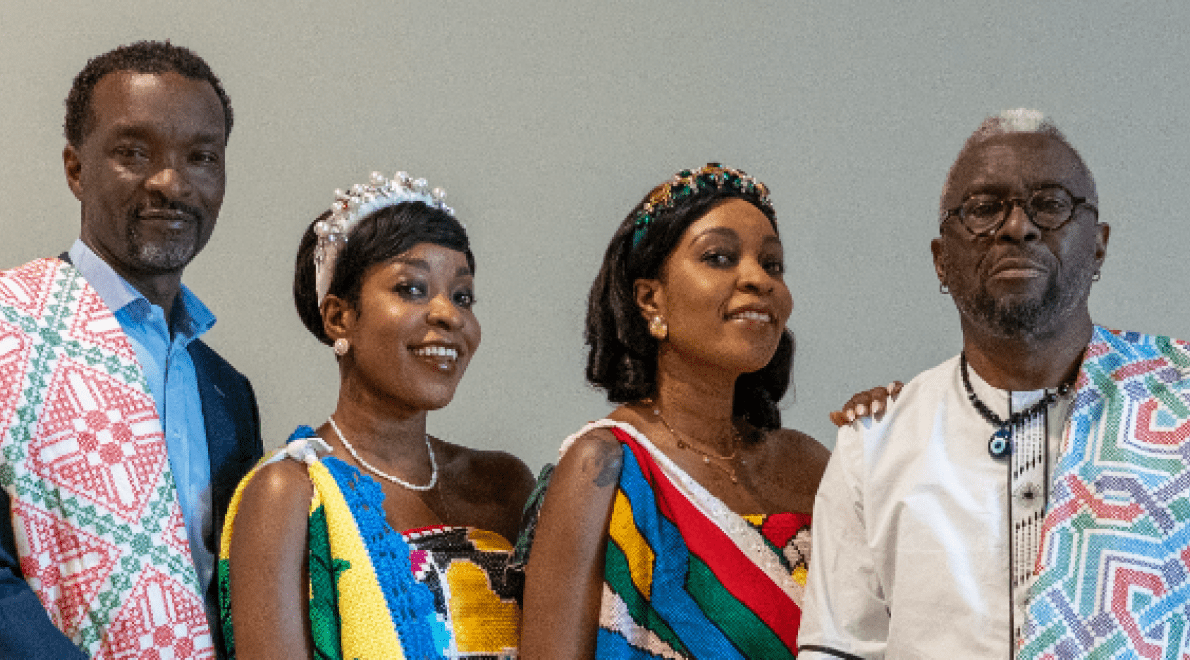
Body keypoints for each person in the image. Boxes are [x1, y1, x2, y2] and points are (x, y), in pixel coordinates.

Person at [799, 109, 1190, 659]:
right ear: (941, 260)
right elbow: (838, 650)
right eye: (984, 209)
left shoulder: (1177, 399)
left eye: (1050, 204)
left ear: (1099, 245)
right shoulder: (875, 445)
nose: (1017, 227)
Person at [0, 41, 263, 659]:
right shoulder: (10, 326)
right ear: (76, 169)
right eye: (134, 153)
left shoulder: (229, 393)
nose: (171, 182)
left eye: (201, 157)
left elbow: (231, 597)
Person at [220, 171, 535, 659]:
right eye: (411, 288)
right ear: (338, 318)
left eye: (462, 296)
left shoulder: (504, 484)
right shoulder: (291, 495)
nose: (449, 315)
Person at [520, 164, 829, 659]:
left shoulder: (809, 465)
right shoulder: (605, 466)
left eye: (772, 264)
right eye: (719, 257)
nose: (759, 280)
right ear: (650, 299)